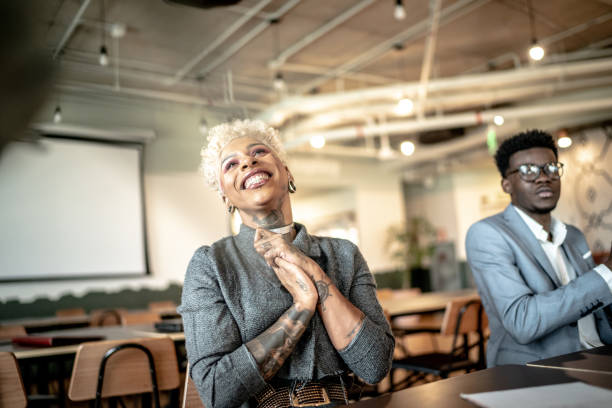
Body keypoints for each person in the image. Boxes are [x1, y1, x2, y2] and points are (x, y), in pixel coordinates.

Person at [178, 119, 394, 408]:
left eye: (259, 152)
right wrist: (302, 307)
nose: (248, 162)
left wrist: (315, 274)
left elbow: (375, 365)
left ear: (287, 172)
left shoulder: (344, 254)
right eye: (231, 164)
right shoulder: (211, 265)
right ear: (224, 195)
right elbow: (217, 391)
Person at [465, 129, 612, 367]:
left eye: (551, 168)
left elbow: (596, 304)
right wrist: (607, 272)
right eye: (527, 170)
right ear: (506, 184)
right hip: (537, 369)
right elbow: (522, 322)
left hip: (598, 356)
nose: (543, 177)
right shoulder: (487, 234)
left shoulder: (573, 235)